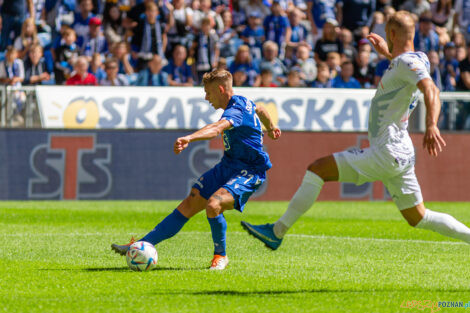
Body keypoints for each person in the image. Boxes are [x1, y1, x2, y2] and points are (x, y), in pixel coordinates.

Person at [241, 11, 470, 250]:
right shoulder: (418, 58)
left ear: (391, 34)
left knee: (317, 170)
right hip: (399, 149)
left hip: (388, 150)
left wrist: (431, 124)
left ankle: (277, 231)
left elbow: (431, 90)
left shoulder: (405, 63)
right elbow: (409, 67)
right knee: (419, 217)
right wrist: (388, 53)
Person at [111, 69, 281, 270]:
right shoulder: (244, 101)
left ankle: (221, 256)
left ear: (220, 89)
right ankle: (142, 245)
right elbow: (260, 109)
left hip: (250, 171)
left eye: (208, 92)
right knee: (189, 204)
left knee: (213, 205)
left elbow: (216, 128)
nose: (206, 97)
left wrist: (189, 138)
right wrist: (271, 128)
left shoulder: (235, 111)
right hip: (228, 165)